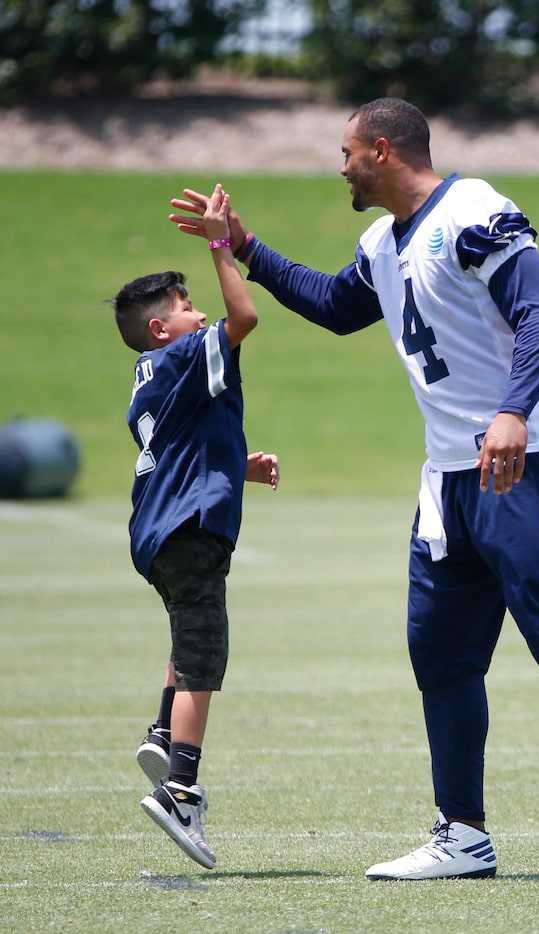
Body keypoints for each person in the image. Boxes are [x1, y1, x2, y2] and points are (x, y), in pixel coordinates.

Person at [168, 99, 539, 887]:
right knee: (442, 657)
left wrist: (513, 412)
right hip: (447, 482)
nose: (341, 166)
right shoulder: (381, 244)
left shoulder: (474, 210)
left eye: (348, 152)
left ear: (382, 151)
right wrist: (240, 245)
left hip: (526, 465)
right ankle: (463, 833)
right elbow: (330, 305)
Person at [110, 183, 279, 870]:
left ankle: (161, 727)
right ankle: (180, 786)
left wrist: (237, 465)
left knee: (188, 627)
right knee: (206, 649)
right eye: (184, 307)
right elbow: (246, 316)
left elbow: (177, 447)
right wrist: (220, 244)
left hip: (156, 529)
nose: (198, 310)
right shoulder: (187, 354)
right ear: (162, 327)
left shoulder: (147, 372)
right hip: (190, 528)